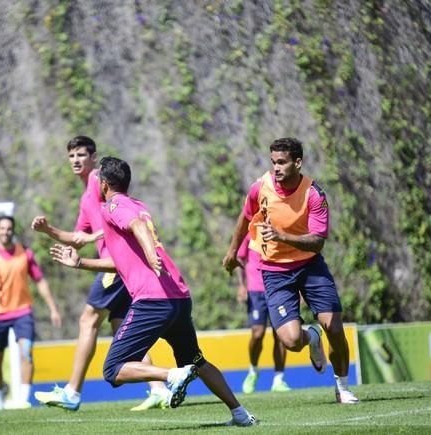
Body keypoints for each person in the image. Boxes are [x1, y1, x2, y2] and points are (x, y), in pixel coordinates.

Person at [49, 156, 256, 426]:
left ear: (104, 183)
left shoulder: (112, 205)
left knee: (113, 370)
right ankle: (240, 415)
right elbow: (120, 260)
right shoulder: (138, 204)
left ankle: (172, 376)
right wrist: (81, 263)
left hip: (152, 300)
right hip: (177, 297)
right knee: (196, 360)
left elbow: (136, 227)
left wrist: (149, 252)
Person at [32, 136, 171, 411]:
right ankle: (159, 389)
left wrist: (96, 235)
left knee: (87, 320)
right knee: (120, 326)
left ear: (94, 158)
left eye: (81, 155)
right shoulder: (86, 197)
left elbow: (121, 212)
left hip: (114, 264)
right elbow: (77, 237)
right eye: (71, 155)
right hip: (117, 266)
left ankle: (72, 392)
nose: (76, 160)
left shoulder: (99, 180)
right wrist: (49, 230)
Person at [222, 137, 359, 404]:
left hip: (310, 266)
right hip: (275, 272)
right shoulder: (260, 188)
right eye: (273, 162)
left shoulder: (314, 194)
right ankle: (312, 336)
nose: (276, 168)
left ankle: (342, 386)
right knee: (292, 341)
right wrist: (231, 252)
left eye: (282, 162)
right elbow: (245, 216)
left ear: (298, 162)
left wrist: (281, 236)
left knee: (334, 326)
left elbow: (318, 242)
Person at [0, 216, 62, 410]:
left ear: (13, 231)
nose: (5, 232)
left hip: (23, 312)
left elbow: (40, 281)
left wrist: (53, 309)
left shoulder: (25, 254)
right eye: (2, 228)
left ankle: (23, 400)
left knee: (26, 352)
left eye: (9, 228)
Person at [236, 234, 290, 393]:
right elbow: (240, 258)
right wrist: (241, 285)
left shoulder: (279, 228)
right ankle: (253, 370)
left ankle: (278, 379)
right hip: (255, 290)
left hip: (277, 288)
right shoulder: (249, 230)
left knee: (280, 334)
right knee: (257, 333)